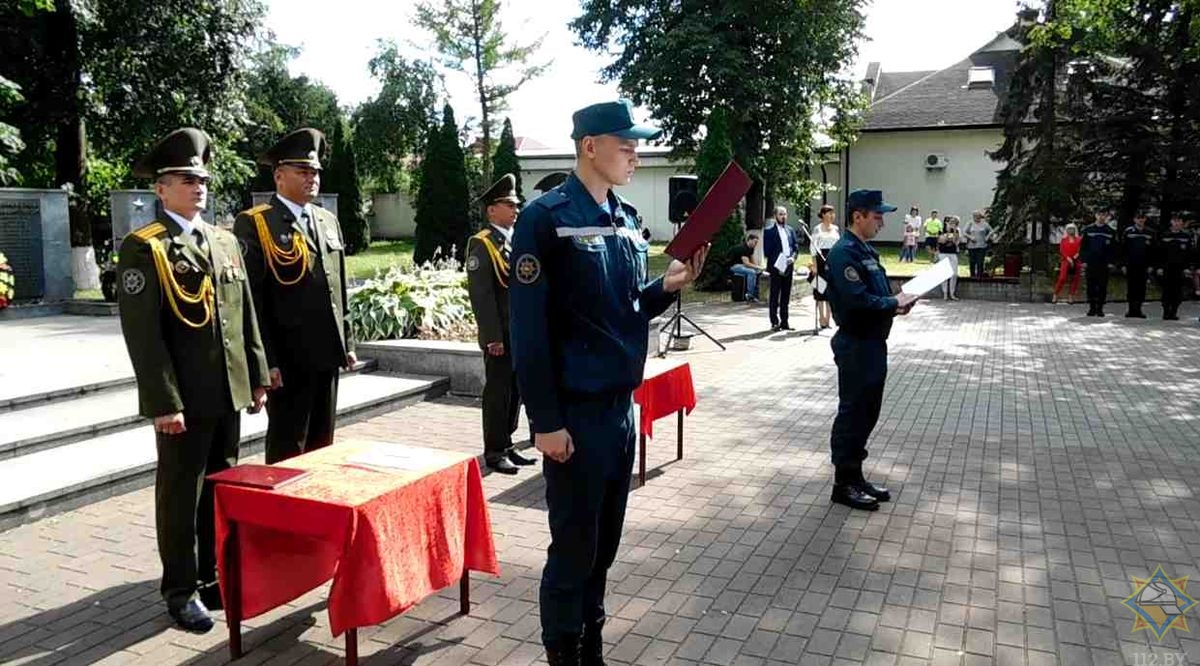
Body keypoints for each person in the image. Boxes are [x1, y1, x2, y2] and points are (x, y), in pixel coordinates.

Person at [509, 99, 707, 665]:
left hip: (621, 410)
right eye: (626, 144)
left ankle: (590, 641)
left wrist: (665, 287)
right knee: (573, 544)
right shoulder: (545, 218)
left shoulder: (623, 218)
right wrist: (544, 421)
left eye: (636, 144)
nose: (635, 154)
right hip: (575, 413)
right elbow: (528, 331)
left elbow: (624, 308)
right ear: (589, 146)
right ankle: (563, 652)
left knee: (605, 544)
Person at [117, 128, 269, 632]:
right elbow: (145, 335)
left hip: (227, 390)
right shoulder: (146, 248)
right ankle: (179, 590)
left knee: (219, 488)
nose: (197, 186)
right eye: (186, 179)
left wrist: (256, 375)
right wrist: (164, 401)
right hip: (184, 398)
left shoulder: (223, 241)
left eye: (202, 178)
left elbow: (244, 314)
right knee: (181, 494)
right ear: (161, 190)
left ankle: (211, 577)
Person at [233, 128, 356, 464]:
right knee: (289, 448)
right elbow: (253, 301)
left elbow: (338, 286)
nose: (311, 178)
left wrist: (347, 343)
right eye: (302, 171)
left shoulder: (327, 220)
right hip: (287, 360)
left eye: (315, 172)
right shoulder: (256, 223)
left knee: (322, 445)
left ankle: (317, 513)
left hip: (327, 354)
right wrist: (265, 362)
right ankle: (282, 517)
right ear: (279, 175)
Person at [824, 189, 918, 511]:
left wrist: (897, 303)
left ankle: (856, 476)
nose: (881, 221)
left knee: (868, 412)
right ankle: (843, 484)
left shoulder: (866, 251)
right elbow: (857, 300)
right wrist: (892, 303)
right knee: (853, 412)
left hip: (874, 343)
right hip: (856, 344)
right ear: (858, 216)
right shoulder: (844, 253)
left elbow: (877, 293)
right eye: (876, 215)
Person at [466, 173, 537, 474]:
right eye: (509, 204)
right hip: (500, 337)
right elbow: (481, 295)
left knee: (515, 392)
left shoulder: (513, 240)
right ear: (491, 210)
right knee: (498, 393)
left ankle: (507, 444)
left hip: (518, 333)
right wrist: (493, 337)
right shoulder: (482, 244)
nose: (515, 209)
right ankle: (494, 450)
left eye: (516, 204)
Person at [762, 205, 799, 331]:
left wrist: (793, 257)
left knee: (786, 295)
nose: (783, 216)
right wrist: (779, 259)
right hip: (776, 265)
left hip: (789, 264)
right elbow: (767, 251)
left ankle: (785, 321)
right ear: (775, 216)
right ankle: (774, 322)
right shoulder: (769, 231)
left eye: (785, 214)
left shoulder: (790, 230)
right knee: (775, 294)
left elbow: (795, 246)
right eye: (780, 214)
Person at [810, 204, 841, 328]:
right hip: (820, 258)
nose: (832, 215)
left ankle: (828, 317)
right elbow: (813, 247)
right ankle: (821, 317)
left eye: (833, 213)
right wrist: (815, 265)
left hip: (833, 259)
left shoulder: (836, 229)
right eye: (829, 213)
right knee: (820, 289)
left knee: (831, 290)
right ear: (823, 214)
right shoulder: (817, 229)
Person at [1160, 213, 1195, 320]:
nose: (1177, 223)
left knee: (1177, 291)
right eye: (1175, 221)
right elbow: (1158, 253)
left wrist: (1188, 268)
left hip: (1180, 269)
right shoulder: (1164, 235)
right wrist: (1159, 267)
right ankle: (1166, 312)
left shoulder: (1186, 237)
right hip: (1167, 267)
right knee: (1166, 290)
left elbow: (1189, 254)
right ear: (1171, 222)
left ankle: (1174, 312)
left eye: (1179, 221)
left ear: (1181, 223)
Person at [1081, 210, 1116, 316]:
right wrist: (1084, 261)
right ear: (1096, 216)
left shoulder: (1110, 231)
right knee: (1090, 286)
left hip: (1104, 263)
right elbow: (1084, 247)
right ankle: (1092, 308)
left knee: (1102, 286)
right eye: (1099, 214)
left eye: (1104, 215)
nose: (1102, 217)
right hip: (1091, 262)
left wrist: (1111, 261)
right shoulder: (1088, 229)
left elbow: (1113, 249)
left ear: (1107, 217)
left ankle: (1100, 308)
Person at [1122, 211, 1155, 318]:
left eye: (1142, 218)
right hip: (1131, 264)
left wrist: (1151, 265)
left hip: (1144, 265)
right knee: (1131, 287)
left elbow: (1154, 251)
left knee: (1141, 288)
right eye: (1138, 218)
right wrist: (1123, 264)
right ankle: (1131, 310)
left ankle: (1139, 310)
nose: (1140, 220)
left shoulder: (1150, 232)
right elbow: (1123, 249)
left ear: (1145, 219)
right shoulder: (1128, 231)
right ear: (1134, 219)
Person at [1053, 223, 1083, 304]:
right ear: (1066, 230)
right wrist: (1068, 259)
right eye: (1069, 229)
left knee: (1075, 278)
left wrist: (1075, 257)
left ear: (1075, 230)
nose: (1071, 231)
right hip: (1066, 260)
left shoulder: (1079, 239)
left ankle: (1071, 296)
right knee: (1062, 278)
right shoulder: (1063, 240)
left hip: (1076, 260)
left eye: (1072, 229)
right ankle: (1055, 294)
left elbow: (1080, 250)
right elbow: (1062, 251)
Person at [727, 233, 762, 302]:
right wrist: (758, 267)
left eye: (757, 242)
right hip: (734, 265)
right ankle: (750, 295)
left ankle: (756, 294)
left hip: (741, 265)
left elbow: (752, 261)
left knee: (757, 272)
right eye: (755, 242)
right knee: (751, 272)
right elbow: (746, 264)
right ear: (749, 240)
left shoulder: (751, 249)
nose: (756, 244)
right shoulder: (743, 248)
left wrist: (758, 268)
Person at [938, 216, 963, 300]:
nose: (951, 224)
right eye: (949, 222)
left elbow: (956, 242)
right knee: (944, 274)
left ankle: (952, 293)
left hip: (953, 253)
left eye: (953, 223)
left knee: (954, 274)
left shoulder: (957, 231)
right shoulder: (941, 230)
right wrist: (948, 233)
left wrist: (955, 231)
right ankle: (945, 293)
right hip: (943, 253)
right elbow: (942, 241)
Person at [963, 210, 993, 278]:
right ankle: (972, 276)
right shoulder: (970, 223)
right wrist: (970, 237)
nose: (976, 218)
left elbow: (991, 231)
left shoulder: (984, 224)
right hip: (971, 246)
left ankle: (980, 276)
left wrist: (987, 237)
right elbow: (964, 233)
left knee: (980, 262)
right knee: (972, 262)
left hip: (982, 246)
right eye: (975, 216)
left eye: (978, 216)